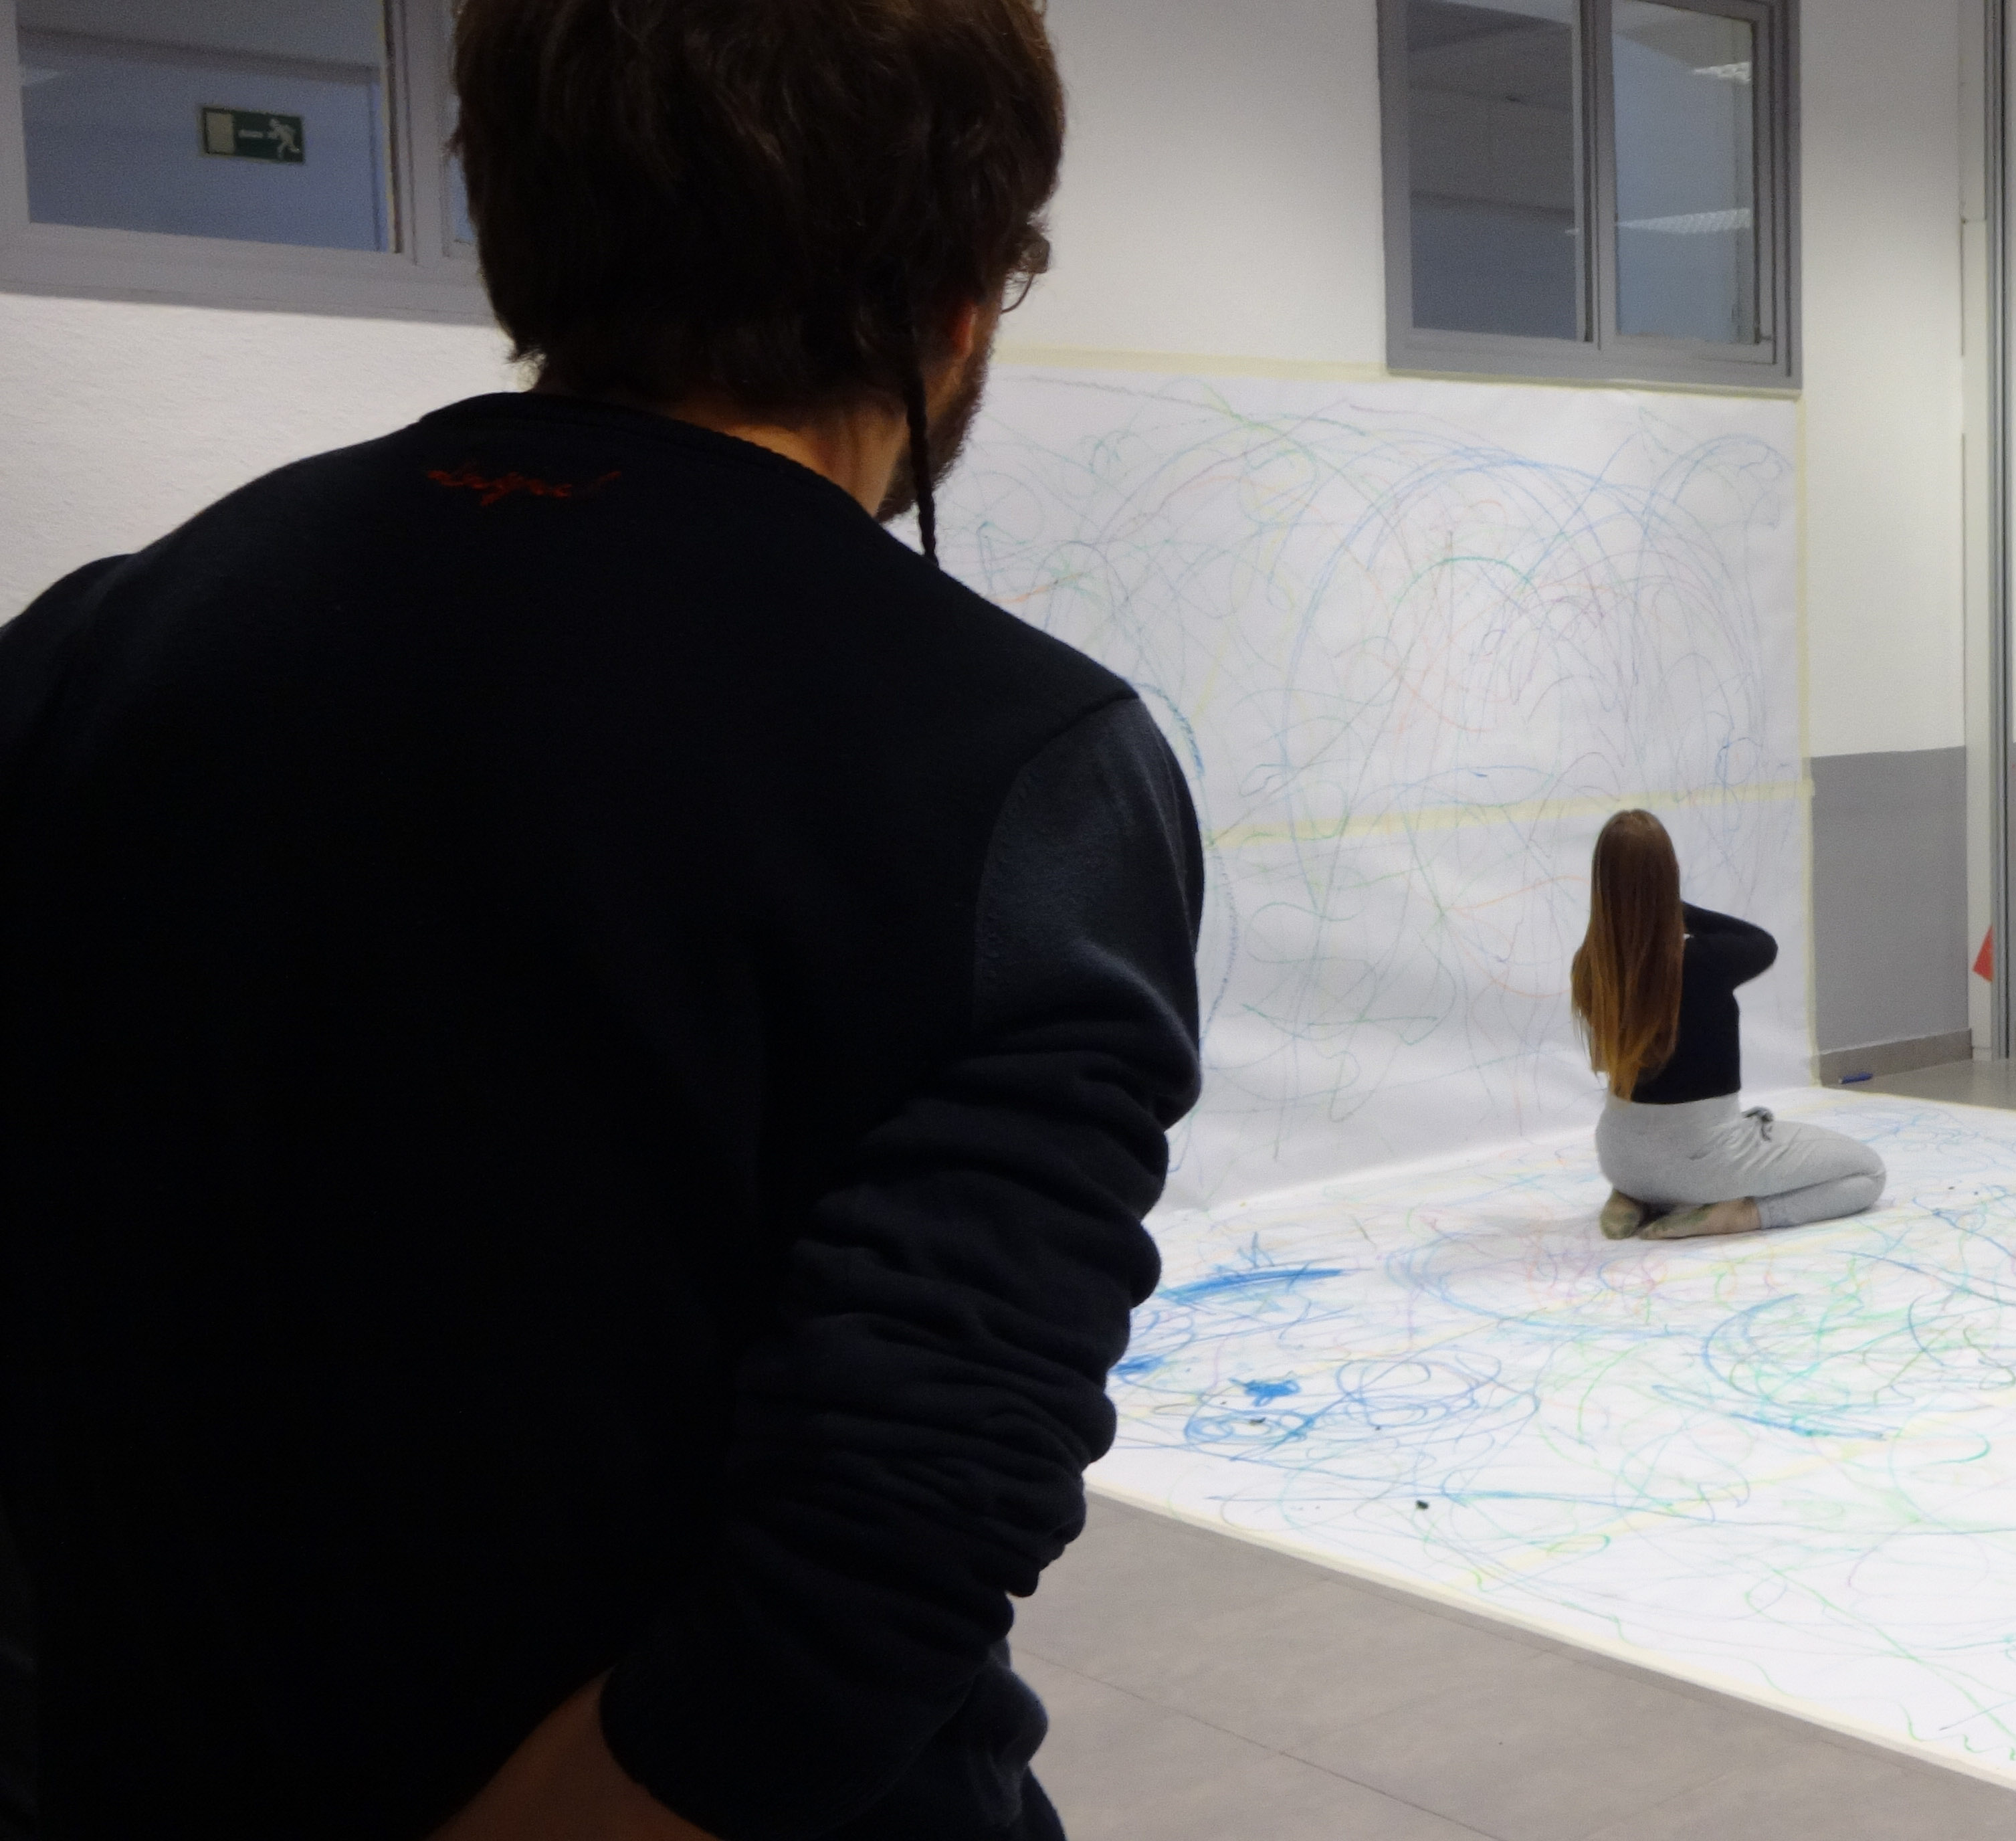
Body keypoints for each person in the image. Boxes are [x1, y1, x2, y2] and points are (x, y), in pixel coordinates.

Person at [0, 2, 1205, 1836]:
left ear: (509, 229)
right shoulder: (1016, 765)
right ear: (961, 301)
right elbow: (868, 1573)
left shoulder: (94, 648)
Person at [1571, 809, 1884, 1240]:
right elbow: (1761, 944)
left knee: (1658, 1166)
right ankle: (1737, 1216)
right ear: (1670, 876)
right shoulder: (1703, 962)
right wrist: (1668, 906)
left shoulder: (1591, 968)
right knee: (1868, 1174)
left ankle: (1635, 1197)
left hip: (1619, 1157)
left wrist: (1635, 906)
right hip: (1701, 1165)